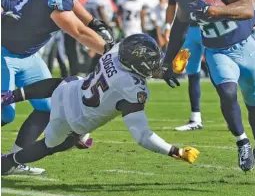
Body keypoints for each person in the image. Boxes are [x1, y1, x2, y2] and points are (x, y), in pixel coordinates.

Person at [1, 34, 200, 175]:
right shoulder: (132, 88)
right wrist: (174, 151)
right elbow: (142, 135)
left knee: (65, 81)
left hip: (70, 91)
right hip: (73, 119)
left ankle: (10, 96)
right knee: (49, 145)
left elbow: (136, 65)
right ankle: (9, 162)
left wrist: (164, 71)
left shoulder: (116, 51)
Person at [160, 0, 255, 185]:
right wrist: (167, 61)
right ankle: (242, 141)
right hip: (217, 50)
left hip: (245, 47)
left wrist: (216, 11)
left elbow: (247, 9)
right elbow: (179, 25)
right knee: (228, 93)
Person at [1, 0, 114, 174]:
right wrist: (113, 52)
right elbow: (78, 33)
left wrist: (94, 22)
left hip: (29, 56)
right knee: (6, 113)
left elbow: (70, 1)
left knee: (47, 107)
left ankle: (10, 162)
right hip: (4, 53)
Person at [164, 0, 204, 131]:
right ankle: (196, 117)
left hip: (210, 27)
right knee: (192, 71)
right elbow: (174, 5)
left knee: (221, 73)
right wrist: (166, 25)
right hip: (191, 28)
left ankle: (236, 116)